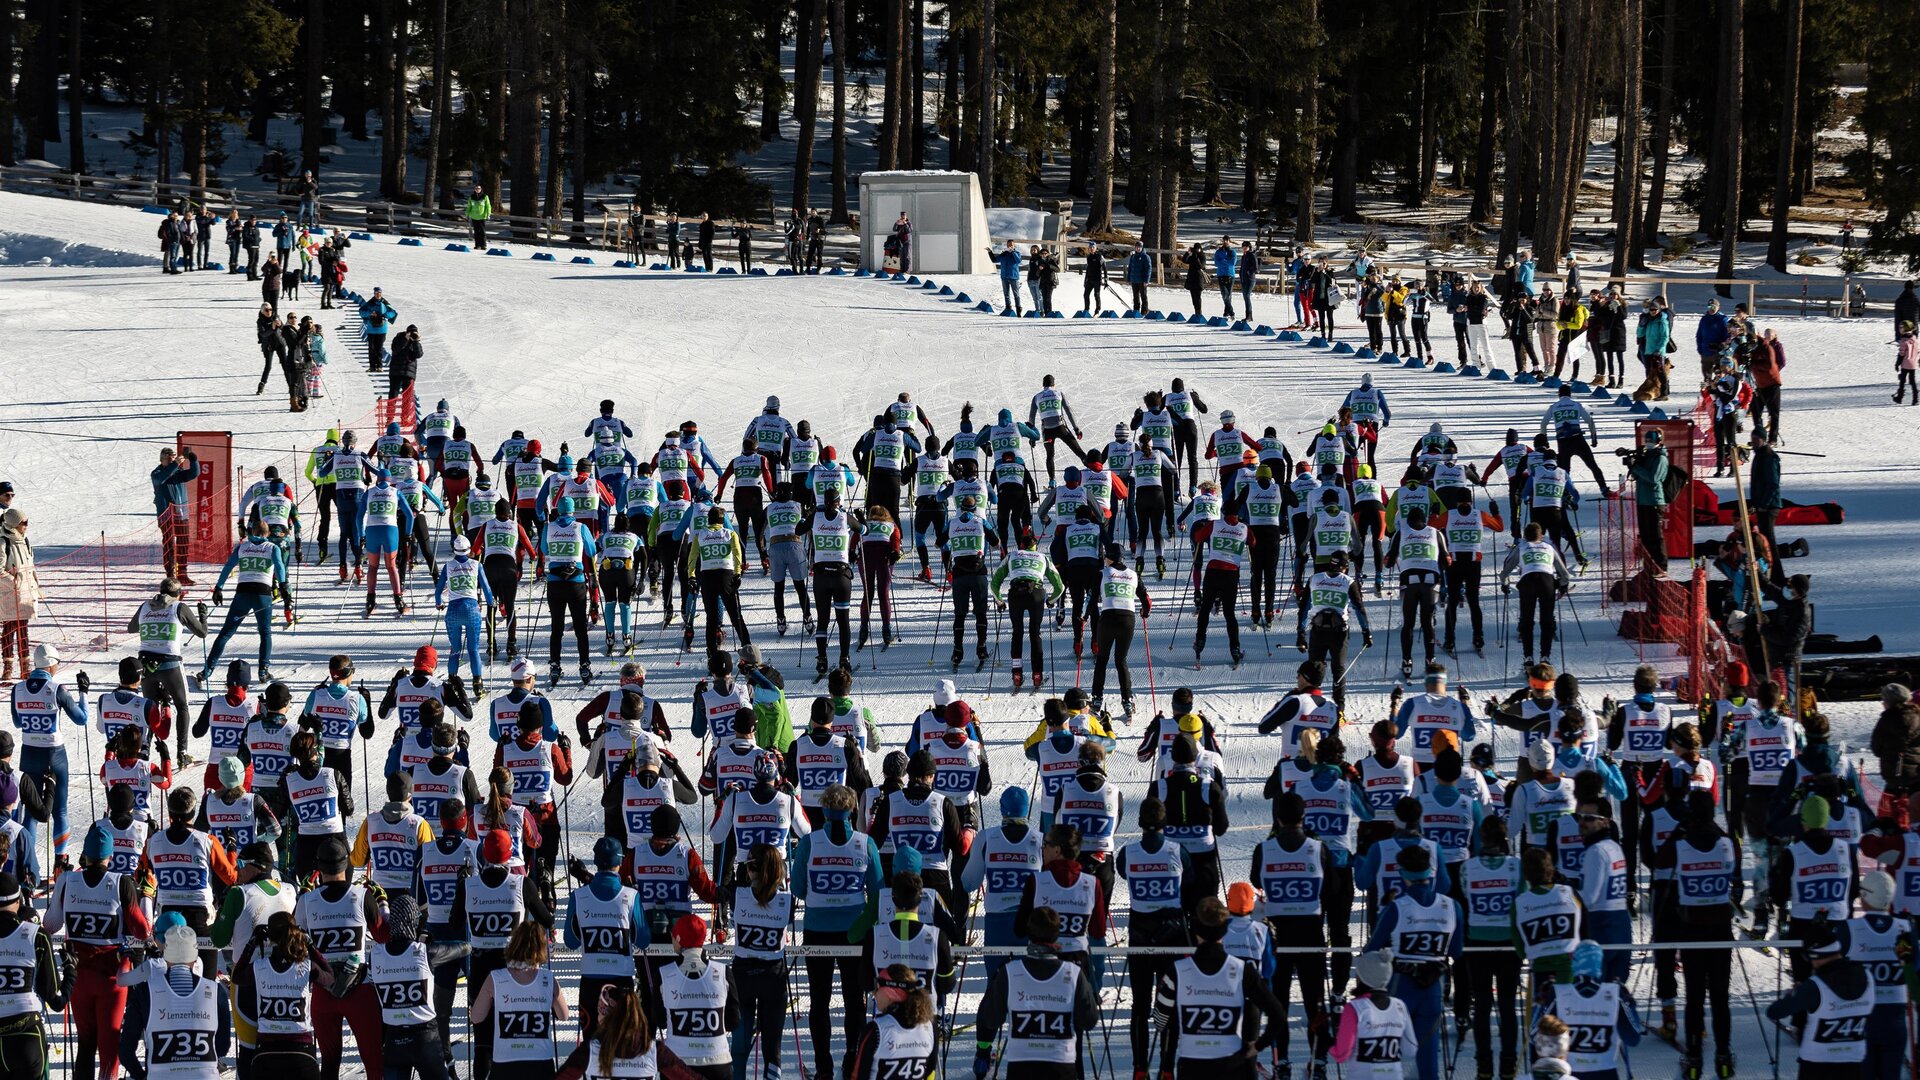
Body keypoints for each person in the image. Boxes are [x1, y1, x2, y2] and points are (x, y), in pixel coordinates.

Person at [1159, 896, 1285, 1078]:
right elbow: (1278, 1015)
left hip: (1192, 1065)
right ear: (1224, 930)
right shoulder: (1243, 971)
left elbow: (1160, 1021)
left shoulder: (1177, 970)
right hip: (1231, 1064)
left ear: (1196, 930)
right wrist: (1256, 1046)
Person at [1766, 920, 1873, 1080]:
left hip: (1817, 1066)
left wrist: (1796, 994)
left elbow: (1774, 1011)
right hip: (1855, 1064)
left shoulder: (1814, 987)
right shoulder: (1867, 977)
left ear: (1814, 955)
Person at [469, 920, 569, 1080]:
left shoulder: (496, 977)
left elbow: (477, 1018)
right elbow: (564, 1015)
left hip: (506, 1064)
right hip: (540, 1063)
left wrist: (474, 1010)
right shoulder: (548, 978)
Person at [1328, 950, 1414, 1080]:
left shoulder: (1355, 1008)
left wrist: (1323, 1036)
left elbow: (1341, 1054)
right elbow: (1411, 1049)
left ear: (1362, 977)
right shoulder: (1399, 1006)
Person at [151, 447, 202, 586]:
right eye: (168, 459)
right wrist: (175, 464)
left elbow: (194, 473)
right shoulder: (156, 473)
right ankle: (170, 575)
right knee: (169, 545)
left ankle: (183, 574)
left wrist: (193, 458)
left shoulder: (178, 472)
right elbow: (160, 479)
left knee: (183, 543)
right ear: (161, 460)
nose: (172, 460)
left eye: (173, 458)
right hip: (166, 515)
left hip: (181, 513)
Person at [0, 508, 38, 682]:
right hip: (9, 594)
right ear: (13, 524)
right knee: (8, 630)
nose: (26, 526)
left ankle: (25, 668)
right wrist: (13, 581)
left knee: (23, 630)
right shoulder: (3, 543)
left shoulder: (25, 541)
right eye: (23, 523)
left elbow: (30, 563)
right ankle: (7, 666)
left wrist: (34, 580)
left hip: (25, 593)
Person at [1126, 241, 1152, 314]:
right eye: (1137, 247)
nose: (1138, 249)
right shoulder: (1133, 257)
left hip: (1142, 280)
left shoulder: (1145, 257)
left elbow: (1148, 269)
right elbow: (1130, 268)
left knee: (1143, 296)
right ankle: (1136, 311)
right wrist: (1129, 279)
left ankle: (1144, 311)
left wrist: (1146, 280)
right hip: (1134, 280)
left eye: (1139, 247)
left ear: (1142, 248)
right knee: (1135, 297)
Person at [464, 185, 492, 249]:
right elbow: (469, 206)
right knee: (476, 232)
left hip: (482, 217)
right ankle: (477, 245)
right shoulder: (471, 197)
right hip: (474, 217)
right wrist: (467, 214)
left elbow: (488, 206)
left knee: (482, 231)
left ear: (481, 189)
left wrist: (488, 214)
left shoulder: (485, 197)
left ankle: (483, 245)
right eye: (476, 188)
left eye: (479, 188)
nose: (477, 189)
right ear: (474, 189)